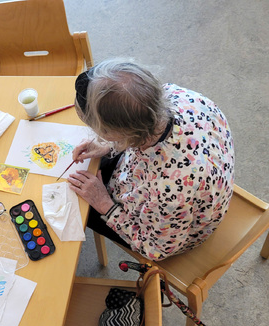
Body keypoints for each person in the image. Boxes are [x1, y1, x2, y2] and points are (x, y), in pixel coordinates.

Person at [68, 59, 234, 261]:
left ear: (118, 133)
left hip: (175, 231)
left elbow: (156, 249)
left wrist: (104, 204)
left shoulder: (169, 188)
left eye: (102, 132)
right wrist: (109, 146)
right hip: (179, 182)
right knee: (91, 173)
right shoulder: (176, 95)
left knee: (79, 206)